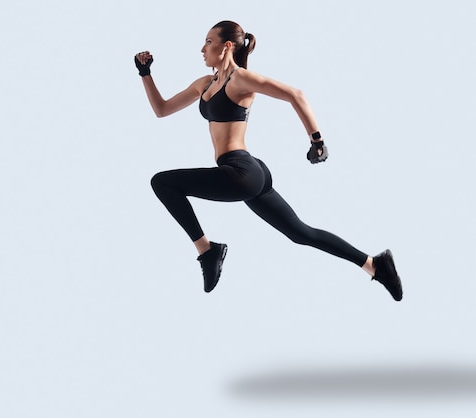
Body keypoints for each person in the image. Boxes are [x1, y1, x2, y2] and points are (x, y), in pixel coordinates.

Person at [134, 20, 402, 301]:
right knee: (301, 233)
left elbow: (295, 94)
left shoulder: (240, 79)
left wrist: (317, 141)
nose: (202, 49)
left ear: (226, 46)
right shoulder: (205, 84)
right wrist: (145, 73)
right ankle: (374, 264)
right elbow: (162, 109)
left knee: (163, 183)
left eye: (209, 42)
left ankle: (208, 250)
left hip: (241, 172)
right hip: (250, 172)